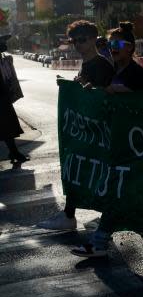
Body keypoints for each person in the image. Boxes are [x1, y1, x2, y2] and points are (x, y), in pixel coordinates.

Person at [71, 22, 143, 256]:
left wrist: (127, 93)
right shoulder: (115, 70)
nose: (112, 47)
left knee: (117, 191)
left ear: (130, 48)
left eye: (118, 44)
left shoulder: (136, 72)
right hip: (123, 141)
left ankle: (100, 242)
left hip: (137, 143)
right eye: (110, 43)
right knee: (133, 191)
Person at [38, 20, 116, 230]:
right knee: (78, 168)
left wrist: (82, 89)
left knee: (88, 170)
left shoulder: (101, 64)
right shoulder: (88, 64)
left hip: (98, 132)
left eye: (81, 40)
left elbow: (102, 96)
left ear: (93, 39)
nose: (77, 45)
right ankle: (70, 214)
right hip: (87, 131)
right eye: (74, 41)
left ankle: (80, 215)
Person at [0, 34, 28, 165]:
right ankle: (14, 152)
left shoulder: (5, 59)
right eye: (1, 41)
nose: (4, 44)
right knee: (6, 126)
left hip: (4, 98)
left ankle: (13, 151)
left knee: (8, 126)